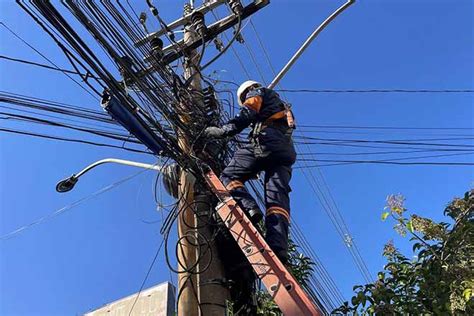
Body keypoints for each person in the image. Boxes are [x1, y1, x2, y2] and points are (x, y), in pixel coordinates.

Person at [204, 80, 296, 264]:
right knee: (276, 199)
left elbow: (248, 111)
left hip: (266, 142)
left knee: (228, 176)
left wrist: (224, 130)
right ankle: (278, 248)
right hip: (286, 152)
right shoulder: (281, 105)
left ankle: (248, 207)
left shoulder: (258, 92)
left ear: (248, 90)